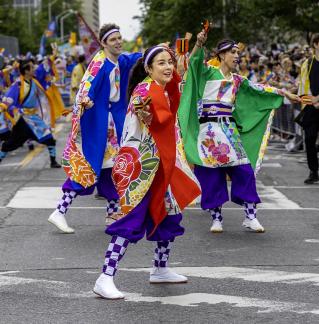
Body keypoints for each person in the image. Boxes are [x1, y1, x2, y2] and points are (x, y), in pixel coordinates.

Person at [93, 45, 201, 300]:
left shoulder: (160, 88)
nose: (168, 67)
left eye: (170, 62)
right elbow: (150, 112)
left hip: (163, 167)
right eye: (161, 63)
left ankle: (160, 269)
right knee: (130, 222)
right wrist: (146, 113)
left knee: (169, 217)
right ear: (149, 68)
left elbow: (175, 93)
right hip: (145, 170)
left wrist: (190, 53)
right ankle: (105, 277)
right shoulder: (145, 90)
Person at [178, 29, 300, 234]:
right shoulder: (208, 71)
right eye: (233, 52)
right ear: (222, 55)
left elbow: (259, 89)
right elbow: (193, 63)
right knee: (211, 174)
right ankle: (216, 218)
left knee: (244, 170)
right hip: (208, 131)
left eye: (237, 53)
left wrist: (285, 92)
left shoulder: (237, 80)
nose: (237, 56)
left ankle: (250, 216)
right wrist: (198, 44)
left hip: (229, 130)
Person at [47, 24, 142, 234]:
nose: (118, 42)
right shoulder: (99, 64)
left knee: (113, 170)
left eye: (119, 38)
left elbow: (136, 57)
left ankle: (112, 215)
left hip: (111, 126)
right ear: (103, 43)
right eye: (113, 39)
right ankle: (59, 211)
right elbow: (85, 88)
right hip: (98, 124)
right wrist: (86, 101)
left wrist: (159, 50)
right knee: (88, 168)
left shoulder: (119, 61)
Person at [0, 59, 61, 167]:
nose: (34, 69)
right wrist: (4, 106)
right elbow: (9, 97)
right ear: (26, 71)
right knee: (12, 143)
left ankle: (53, 162)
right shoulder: (18, 84)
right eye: (32, 67)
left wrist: (52, 58)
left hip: (34, 118)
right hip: (23, 119)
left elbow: (43, 70)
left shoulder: (35, 81)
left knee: (49, 137)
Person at [298, 34, 319, 184]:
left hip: (317, 101)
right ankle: (313, 171)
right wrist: (310, 102)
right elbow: (302, 86)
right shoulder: (308, 63)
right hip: (311, 107)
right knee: (309, 140)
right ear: (316, 45)